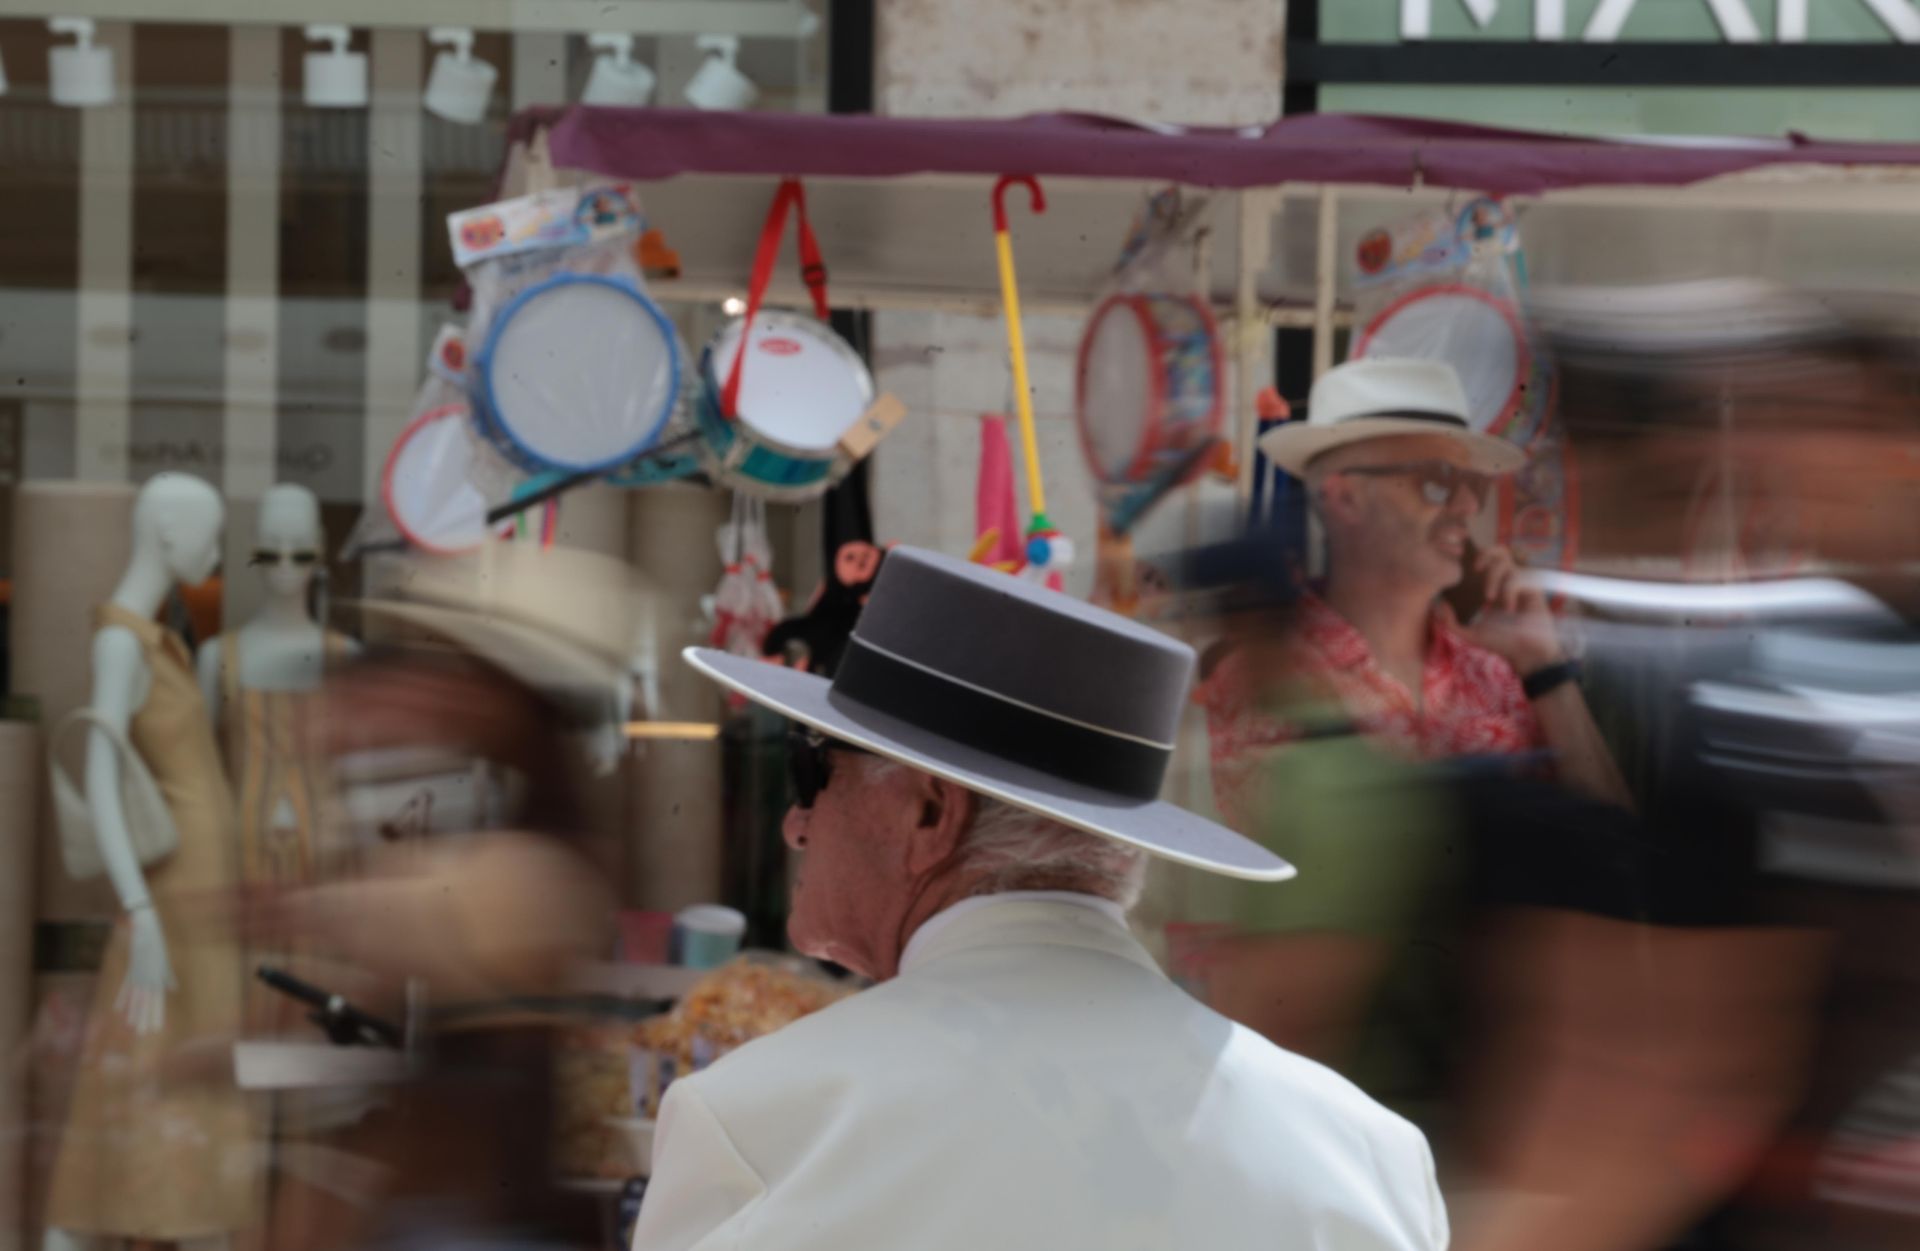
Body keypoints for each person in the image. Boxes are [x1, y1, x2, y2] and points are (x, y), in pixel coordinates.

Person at [635, 546, 1448, 1251]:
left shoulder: (758, 1122)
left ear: (929, 812)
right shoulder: (1371, 1156)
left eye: (813, 771)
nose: (794, 821)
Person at [1198, 357, 1630, 828]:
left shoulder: (1498, 670)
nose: (1466, 505)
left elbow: (1614, 844)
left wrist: (1545, 667)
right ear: (1346, 499)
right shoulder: (1265, 677)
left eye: (1472, 484)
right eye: (1438, 482)